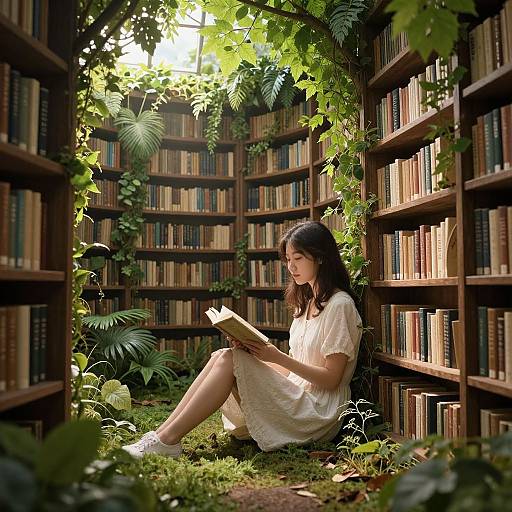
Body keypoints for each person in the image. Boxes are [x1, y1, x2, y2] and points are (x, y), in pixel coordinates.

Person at [122, 220, 363, 458]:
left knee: (228, 359)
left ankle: (167, 440)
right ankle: (161, 435)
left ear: (320, 257)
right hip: (298, 395)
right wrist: (255, 354)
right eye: (288, 260)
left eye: (298, 258)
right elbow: (293, 370)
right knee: (224, 355)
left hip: (318, 411)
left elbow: (332, 379)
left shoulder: (339, 305)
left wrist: (275, 356)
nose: (291, 267)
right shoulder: (308, 303)